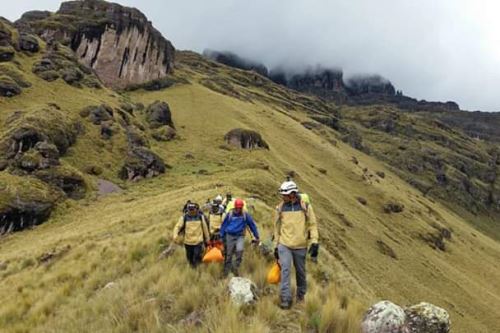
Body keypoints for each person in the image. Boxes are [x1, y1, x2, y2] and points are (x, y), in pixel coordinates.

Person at [273, 180, 319, 309]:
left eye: (285, 195)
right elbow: (276, 228)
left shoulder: (306, 207)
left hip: (300, 246)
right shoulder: (280, 208)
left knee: (300, 272)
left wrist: (314, 242)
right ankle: (286, 299)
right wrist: (276, 246)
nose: (283, 197)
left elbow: (312, 225)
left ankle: (300, 296)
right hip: (284, 245)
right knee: (286, 270)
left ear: (292, 194)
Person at [220, 198, 260, 277]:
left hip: (240, 237)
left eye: (240, 208)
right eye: (237, 208)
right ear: (235, 207)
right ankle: (226, 272)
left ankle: (235, 268)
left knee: (239, 254)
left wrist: (256, 235)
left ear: (242, 207)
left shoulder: (245, 215)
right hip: (229, 236)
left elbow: (252, 225)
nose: (238, 209)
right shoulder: (230, 214)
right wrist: (221, 235)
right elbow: (224, 225)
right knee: (229, 254)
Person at [172, 202, 210, 267]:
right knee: (190, 259)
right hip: (188, 243)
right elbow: (177, 227)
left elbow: (205, 228)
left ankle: (197, 271)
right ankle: (192, 269)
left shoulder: (201, 217)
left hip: (198, 242)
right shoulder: (184, 217)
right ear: (188, 209)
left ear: (196, 209)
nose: (192, 211)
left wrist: (207, 238)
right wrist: (175, 236)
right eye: (190, 209)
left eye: (193, 209)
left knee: (196, 258)